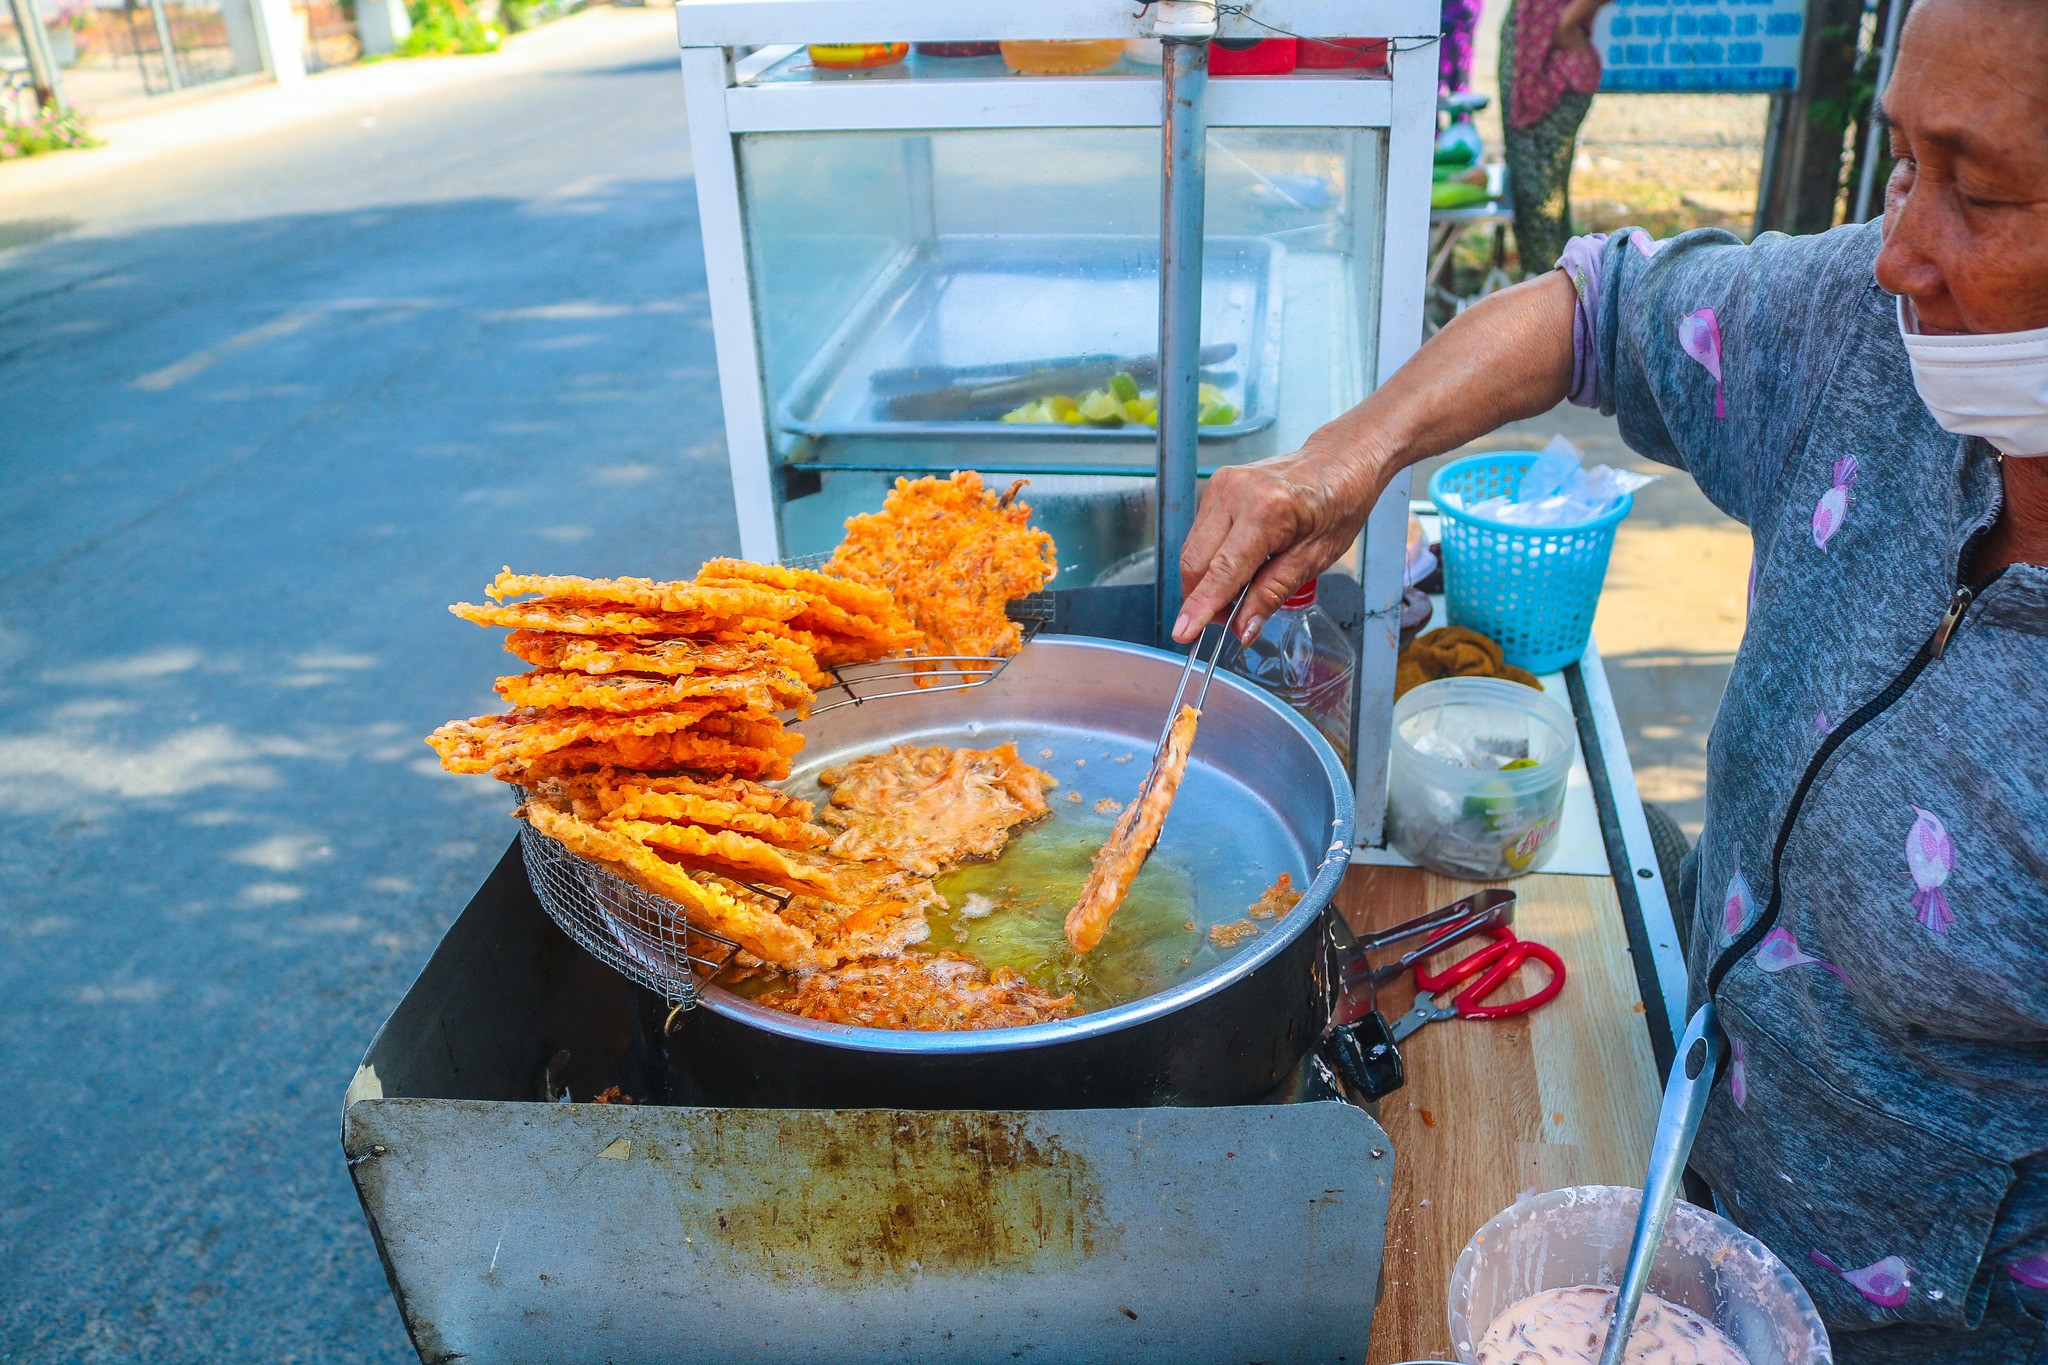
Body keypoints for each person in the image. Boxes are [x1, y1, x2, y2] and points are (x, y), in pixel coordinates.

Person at [1172, 0, 2048, 1358]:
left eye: (1979, 193)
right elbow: (1603, 310)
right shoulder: (1869, 345)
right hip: (1696, 1151)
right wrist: (1346, 458)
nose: (1899, 253)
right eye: (1901, 163)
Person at [1500, 0, 1611, 273]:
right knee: (1531, 199)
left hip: (1557, 70)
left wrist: (1566, 28)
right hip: (1528, 66)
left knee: (1541, 201)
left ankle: (1554, 301)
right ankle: (1554, 293)